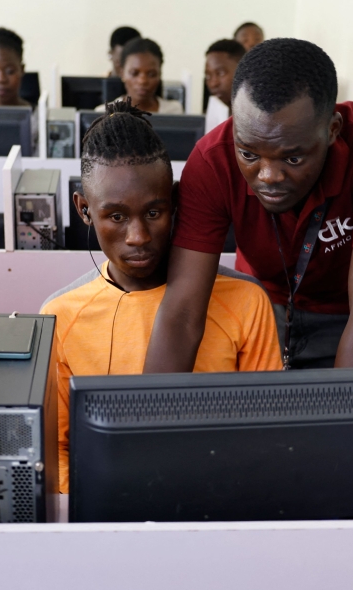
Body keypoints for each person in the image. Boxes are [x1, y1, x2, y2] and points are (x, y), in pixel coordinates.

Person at [41, 100, 282, 493]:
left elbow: (265, 438)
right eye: (116, 216)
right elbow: (57, 454)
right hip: (110, 516)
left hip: (219, 506)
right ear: (84, 210)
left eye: (154, 213)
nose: (137, 237)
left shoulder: (244, 301)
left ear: (175, 203)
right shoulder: (60, 316)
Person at [143, 38, 353, 373]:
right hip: (256, 309)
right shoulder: (212, 160)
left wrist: (345, 415)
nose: (268, 176)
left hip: (343, 321)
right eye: (248, 154)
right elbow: (182, 314)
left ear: (332, 130)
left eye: (293, 156)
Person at [95, 37, 183, 114]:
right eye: (134, 73)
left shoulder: (173, 111)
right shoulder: (105, 113)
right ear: (122, 73)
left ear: (160, 74)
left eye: (151, 74)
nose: (143, 81)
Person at [204, 38, 246, 133]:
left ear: (242, 70)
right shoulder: (217, 109)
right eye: (208, 76)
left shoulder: (259, 118)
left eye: (221, 73)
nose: (213, 83)